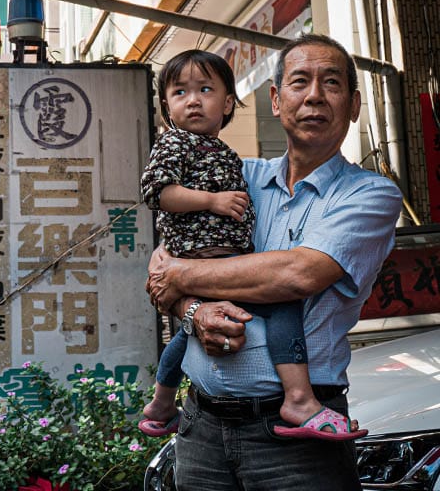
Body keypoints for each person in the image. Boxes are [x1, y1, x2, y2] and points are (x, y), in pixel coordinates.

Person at [146, 34, 402, 491]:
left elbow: (297, 275)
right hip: (200, 428)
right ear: (276, 100)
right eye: (299, 81)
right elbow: (164, 258)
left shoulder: (371, 195)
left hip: (295, 445)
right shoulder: (238, 176)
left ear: (354, 105)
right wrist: (194, 310)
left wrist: (179, 275)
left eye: (331, 83)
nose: (314, 96)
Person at [136, 49, 353, 441]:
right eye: (180, 92)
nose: (193, 101)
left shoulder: (229, 157)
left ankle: (161, 404)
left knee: (188, 332)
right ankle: (298, 398)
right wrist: (211, 203)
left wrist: (180, 283)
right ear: (166, 106)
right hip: (204, 256)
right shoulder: (179, 145)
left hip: (213, 258)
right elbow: (157, 196)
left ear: (228, 104)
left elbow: (298, 275)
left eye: (205, 90)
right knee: (277, 309)